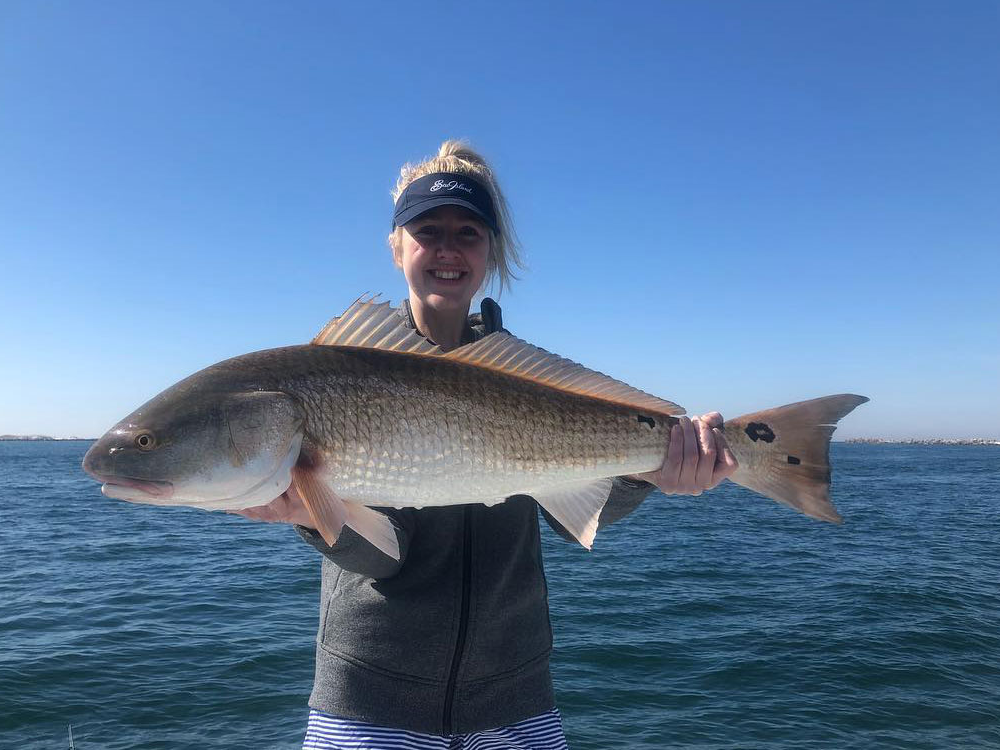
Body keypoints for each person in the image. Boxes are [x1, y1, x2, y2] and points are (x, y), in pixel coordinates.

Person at [238, 141, 738, 748]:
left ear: (491, 252)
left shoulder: (526, 379)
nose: (447, 249)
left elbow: (576, 511)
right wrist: (316, 518)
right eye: (427, 231)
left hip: (515, 703)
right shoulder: (342, 375)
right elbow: (386, 558)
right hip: (370, 703)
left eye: (468, 233)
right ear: (396, 248)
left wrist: (650, 472)